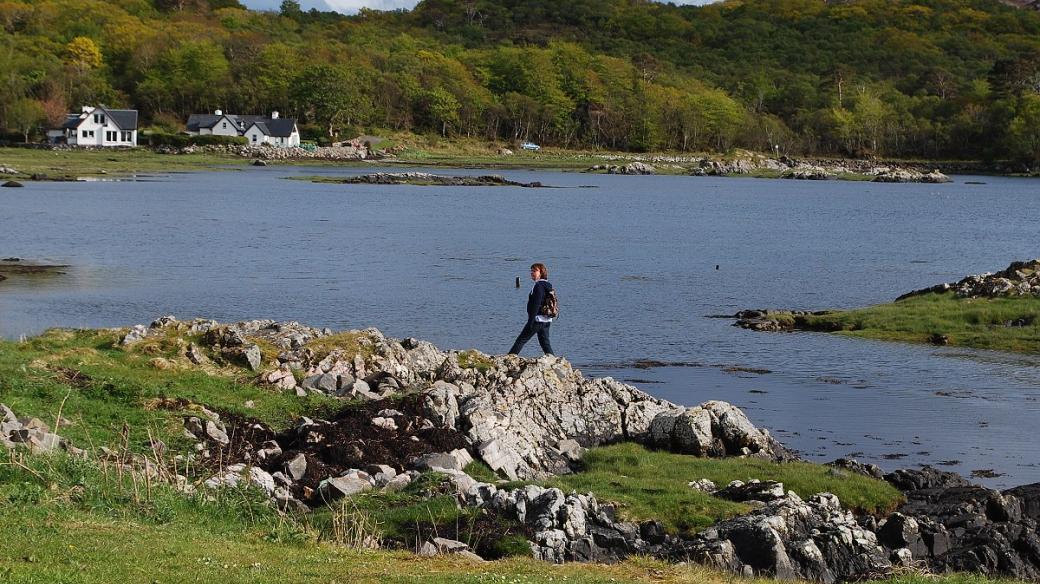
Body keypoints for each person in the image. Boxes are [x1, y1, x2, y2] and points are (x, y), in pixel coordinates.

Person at [508, 262, 555, 356]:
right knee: (545, 343)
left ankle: (508, 360)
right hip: (547, 319)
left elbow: (536, 304)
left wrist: (530, 321)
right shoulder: (548, 285)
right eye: (531, 271)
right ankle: (554, 361)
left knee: (521, 340)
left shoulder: (538, 285)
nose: (532, 273)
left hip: (537, 319)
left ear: (541, 272)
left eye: (535, 271)